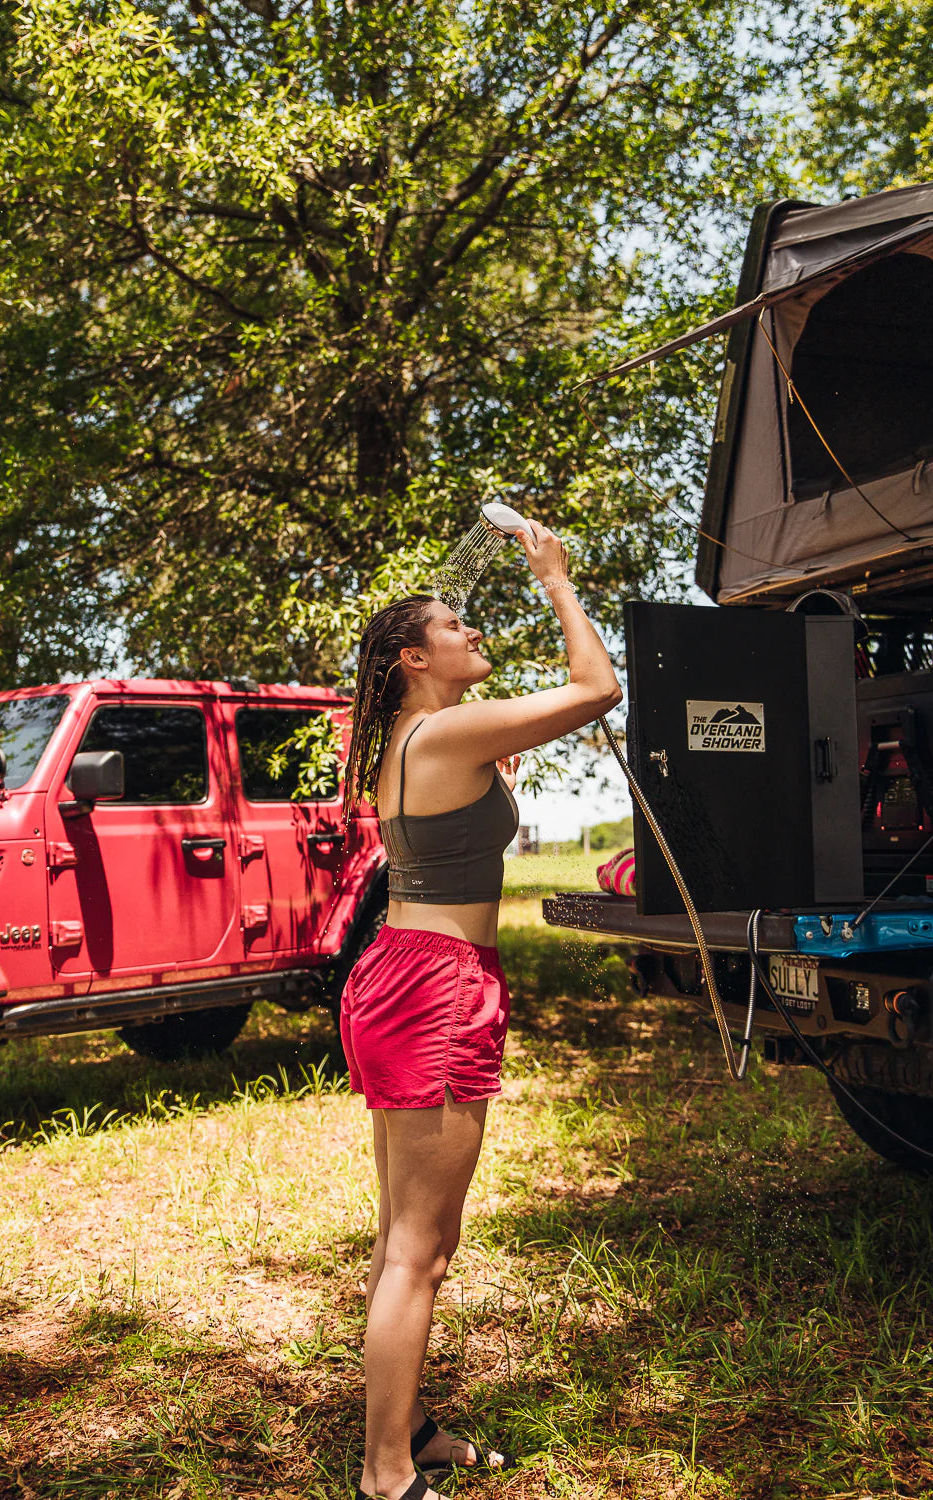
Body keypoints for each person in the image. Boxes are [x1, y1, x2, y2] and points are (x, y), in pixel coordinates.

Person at [342, 518, 622, 1500]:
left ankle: (407, 1428)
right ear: (414, 659)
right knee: (420, 1252)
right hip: (433, 988)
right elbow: (598, 687)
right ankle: (385, 1475)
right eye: (453, 626)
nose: (472, 632)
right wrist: (556, 579)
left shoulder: (415, 739)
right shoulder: (448, 731)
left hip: (401, 973)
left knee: (402, 1238)